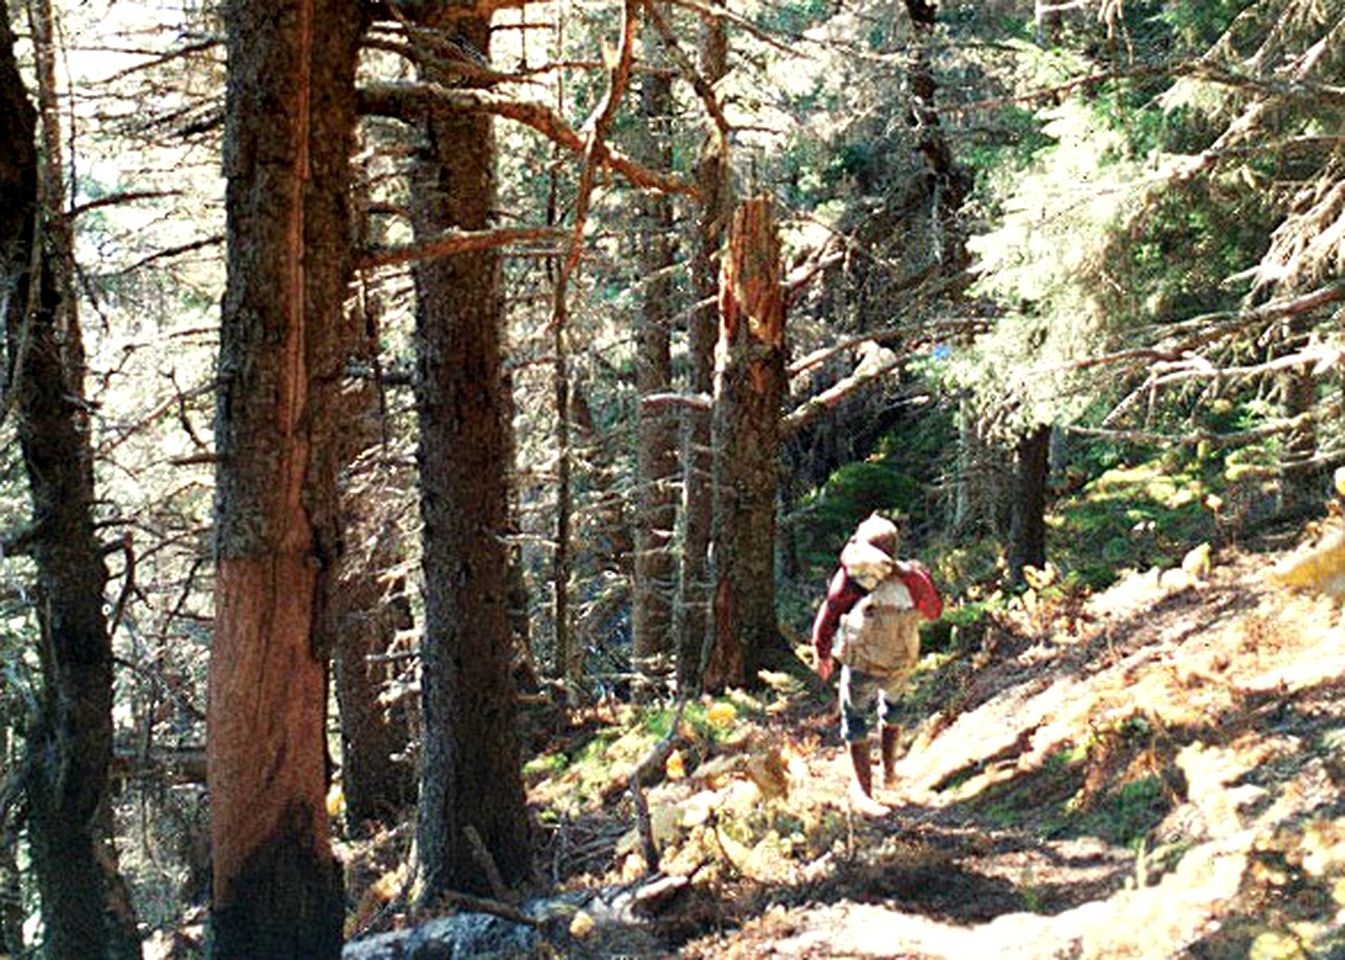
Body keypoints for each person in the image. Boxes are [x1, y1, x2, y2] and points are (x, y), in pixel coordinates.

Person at [811, 513, 942, 816]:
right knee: (893, 708)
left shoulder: (853, 577)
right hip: (900, 662)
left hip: (862, 664)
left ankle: (864, 792)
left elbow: (830, 610)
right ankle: (890, 773)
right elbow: (934, 612)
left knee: (854, 717)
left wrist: (821, 650)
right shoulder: (913, 577)